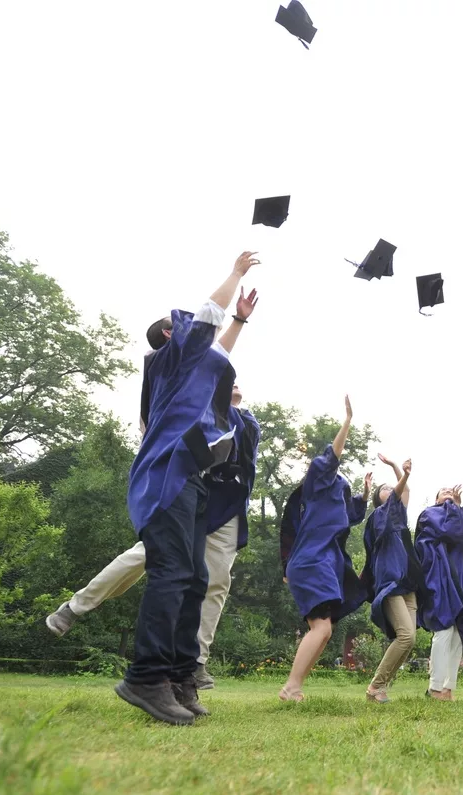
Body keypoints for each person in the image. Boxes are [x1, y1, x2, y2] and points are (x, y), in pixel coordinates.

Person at [115, 251, 259, 725]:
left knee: (195, 579)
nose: (204, 330)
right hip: (165, 479)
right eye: (188, 326)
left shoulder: (189, 371)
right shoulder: (166, 362)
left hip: (191, 480)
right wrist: (235, 274)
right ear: (170, 337)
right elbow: (206, 320)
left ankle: (179, 678)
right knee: (173, 574)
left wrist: (239, 320)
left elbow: (218, 349)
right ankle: (146, 677)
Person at [46, 382, 261, 692]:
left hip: (227, 505)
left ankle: (196, 662)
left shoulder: (247, 421)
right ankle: (75, 607)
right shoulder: (192, 408)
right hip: (187, 493)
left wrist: (229, 407)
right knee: (145, 554)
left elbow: (241, 450)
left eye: (237, 381)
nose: (235, 383)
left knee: (217, 581)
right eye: (228, 380)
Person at [279, 396, 371, 702]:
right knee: (320, 628)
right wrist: (346, 423)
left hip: (320, 563)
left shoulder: (335, 498)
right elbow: (331, 458)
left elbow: (353, 515)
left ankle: (294, 687)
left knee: (324, 630)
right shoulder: (317, 480)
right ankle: (291, 687)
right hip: (310, 562)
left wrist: (366, 493)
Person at [415, 485, 463, 701]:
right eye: (443, 491)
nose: (448, 492)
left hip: (458, 578)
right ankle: (435, 687)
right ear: (436, 498)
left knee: (458, 634)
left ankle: (448, 688)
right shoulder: (430, 513)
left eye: (450, 490)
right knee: (444, 628)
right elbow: (450, 531)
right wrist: (453, 507)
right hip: (438, 576)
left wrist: (457, 506)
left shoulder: (458, 513)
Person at [361, 454, 417, 703]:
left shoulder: (399, 515)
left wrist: (397, 468)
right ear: (378, 499)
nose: (389, 489)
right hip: (390, 579)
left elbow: (403, 493)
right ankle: (375, 686)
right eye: (383, 489)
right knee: (406, 635)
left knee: (409, 640)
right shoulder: (377, 517)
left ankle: (380, 688)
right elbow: (397, 494)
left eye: (390, 487)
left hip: (408, 582)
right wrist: (403, 474)